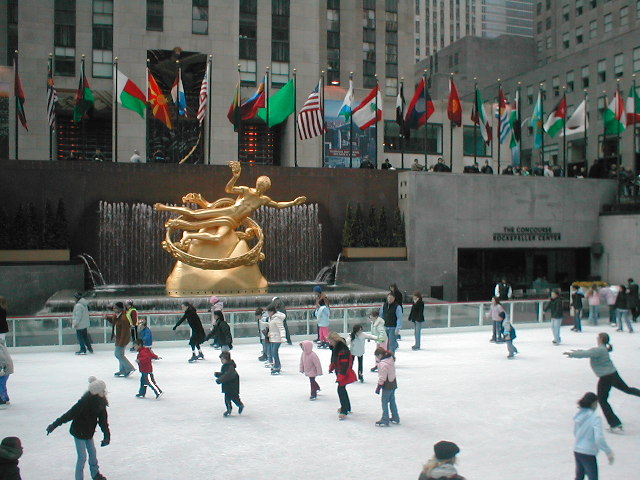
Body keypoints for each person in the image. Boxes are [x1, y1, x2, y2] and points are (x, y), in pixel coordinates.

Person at [154, 161, 306, 245]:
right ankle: (164, 208)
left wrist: (293, 202)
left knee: (205, 230)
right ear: (257, 183)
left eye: (263, 187)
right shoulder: (246, 191)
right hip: (228, 212)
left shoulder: (263, 200)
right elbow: (229, 189)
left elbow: (278, 205)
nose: (260, 188)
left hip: (233, 221)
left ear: (266, 188)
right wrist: (235, 176)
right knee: (196, 214)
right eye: (259, 185)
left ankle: (186, 233)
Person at [564, 332, 640, 432]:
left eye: (598, 337)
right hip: (613, 374)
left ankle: (615, 424)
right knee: (627, 389)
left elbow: (587, 354)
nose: (597, 338)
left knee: (602, 400)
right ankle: (615, 423)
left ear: (601, 339)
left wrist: (573, 354)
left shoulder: (600, 350)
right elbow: (589, 352)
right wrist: (577, 352)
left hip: (606, 377)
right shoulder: (602, 349)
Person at [46, 376, 110, 480]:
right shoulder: (83, 403)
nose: (105, 391)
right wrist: (54, 425)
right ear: (97, 391)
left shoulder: (101, 404)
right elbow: (69, 414)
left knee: (93, 454)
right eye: (102, 390)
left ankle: (95, 474)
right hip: (79, 432)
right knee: (82, 457)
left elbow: (103, 421)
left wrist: (107, 436)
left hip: (89, 432)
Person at [573, 392, 614, 480]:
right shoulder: (595, 417)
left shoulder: (579, 414)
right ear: (594, 403)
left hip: (577, 450)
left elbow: (575, 432)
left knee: (579, 476)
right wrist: (608, 452)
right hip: (588, 452)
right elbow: (599, 437)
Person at [328, 332, 357, 420]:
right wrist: (332, 367)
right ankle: (347, 407)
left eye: (330, 341)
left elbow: (345, 365)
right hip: (340, 371)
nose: (330, 343)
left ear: (334, 340)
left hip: (344, 373)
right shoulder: (336, 348)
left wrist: (341, 375)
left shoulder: (343, 350)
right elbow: (334, 360)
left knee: (340, 389)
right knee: (342, 389)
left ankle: (344, 410)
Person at [106, 302, 135, 377]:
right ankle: (123, 370)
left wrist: (121, 342)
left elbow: (124, 332)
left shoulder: (124, 318)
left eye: (115, 308)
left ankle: (129, 368)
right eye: (113, 307)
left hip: (123, 339)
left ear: (120, 309)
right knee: (120, 354)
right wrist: (107, 318)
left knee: (118, 354)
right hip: (119, 338)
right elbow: (114, 322)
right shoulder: (117, 316)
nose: (113, 309)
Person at [374, 347, 399, 426]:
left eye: (377, 356)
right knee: (392, 401)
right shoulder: (390, 359)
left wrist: (379, 387)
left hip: (387, 384)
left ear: (380, 355)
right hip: (393, 382)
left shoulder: (383, 364)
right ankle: (395, 417)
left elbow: (382, 377)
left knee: (384, 402)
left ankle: (385, 419)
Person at [214, 351, 244, 417]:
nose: (221, 361)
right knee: (227, 399)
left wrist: (219, 380)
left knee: (235, 398)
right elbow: (224, 374)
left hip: (232, 386)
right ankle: (229, 409)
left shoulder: (230, 366)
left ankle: (240, 405)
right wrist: (218, 374)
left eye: (222, 359)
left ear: (226, 359)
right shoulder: (225, 366)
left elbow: (228, 375)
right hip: (227, 386)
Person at [267, 305, 287, 375]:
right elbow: (272, 327)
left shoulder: (277, 318)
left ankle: (277, 367)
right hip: (272, 337)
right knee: (273, 353)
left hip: (277, 338)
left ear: (272, 311)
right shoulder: (272, 318)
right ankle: (276, 365)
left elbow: (281, 328)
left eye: (269, 312)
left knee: (274, 352)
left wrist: (283, 337)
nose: (268, 313)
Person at [0, 338, 14, 408]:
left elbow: (1, 357)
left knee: (1, 384)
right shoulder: (1, 344)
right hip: (7, 366)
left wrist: (1, 368)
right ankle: (5, 398)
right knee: (2, 384)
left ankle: (2, 400)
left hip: (4, 367)